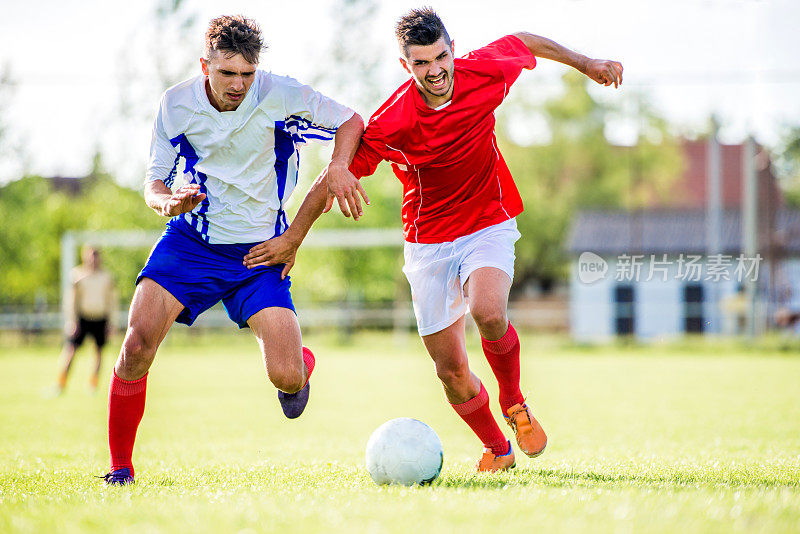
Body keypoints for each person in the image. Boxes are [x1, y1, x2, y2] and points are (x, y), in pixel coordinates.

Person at [328, 8, 623, 472]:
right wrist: (295, 233)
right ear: (406, 65)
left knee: (487, 310)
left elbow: (526, 40)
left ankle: (514, 400)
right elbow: (345, 162)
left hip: (489, 220)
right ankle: (498, 448)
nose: (435, 70)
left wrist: (586, 64)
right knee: (450, 372)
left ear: (452, 47)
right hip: (427, 243)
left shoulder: (481, 70)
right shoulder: (395, 117)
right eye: (421, 63)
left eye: (441, 56)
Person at [100, 15, 364, 485]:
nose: (239, 84)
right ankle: (120, 469)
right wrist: (168, 202)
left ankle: (301, 366)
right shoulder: (176, 104)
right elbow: (153, 182)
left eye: (248, 72)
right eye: (227, 73)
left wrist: (340, 166)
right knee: (136, 345)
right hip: (191, 244)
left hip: (259, 252)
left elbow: (350, 120)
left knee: (285, 377)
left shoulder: (278, 94)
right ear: (205, 65)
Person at [55, 246, 116, 394]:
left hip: (100, 318)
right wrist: (72, 320)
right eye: (90, 256)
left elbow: (112, 301)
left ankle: (92, 386)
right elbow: (71, 300)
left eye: (96, 256)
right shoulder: (77, 275)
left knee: (98, 353)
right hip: (82, 319)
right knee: (70, 351)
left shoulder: (107, 277)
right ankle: (60, 385)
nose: (93, 259)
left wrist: (111, 323)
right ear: (85, 257)